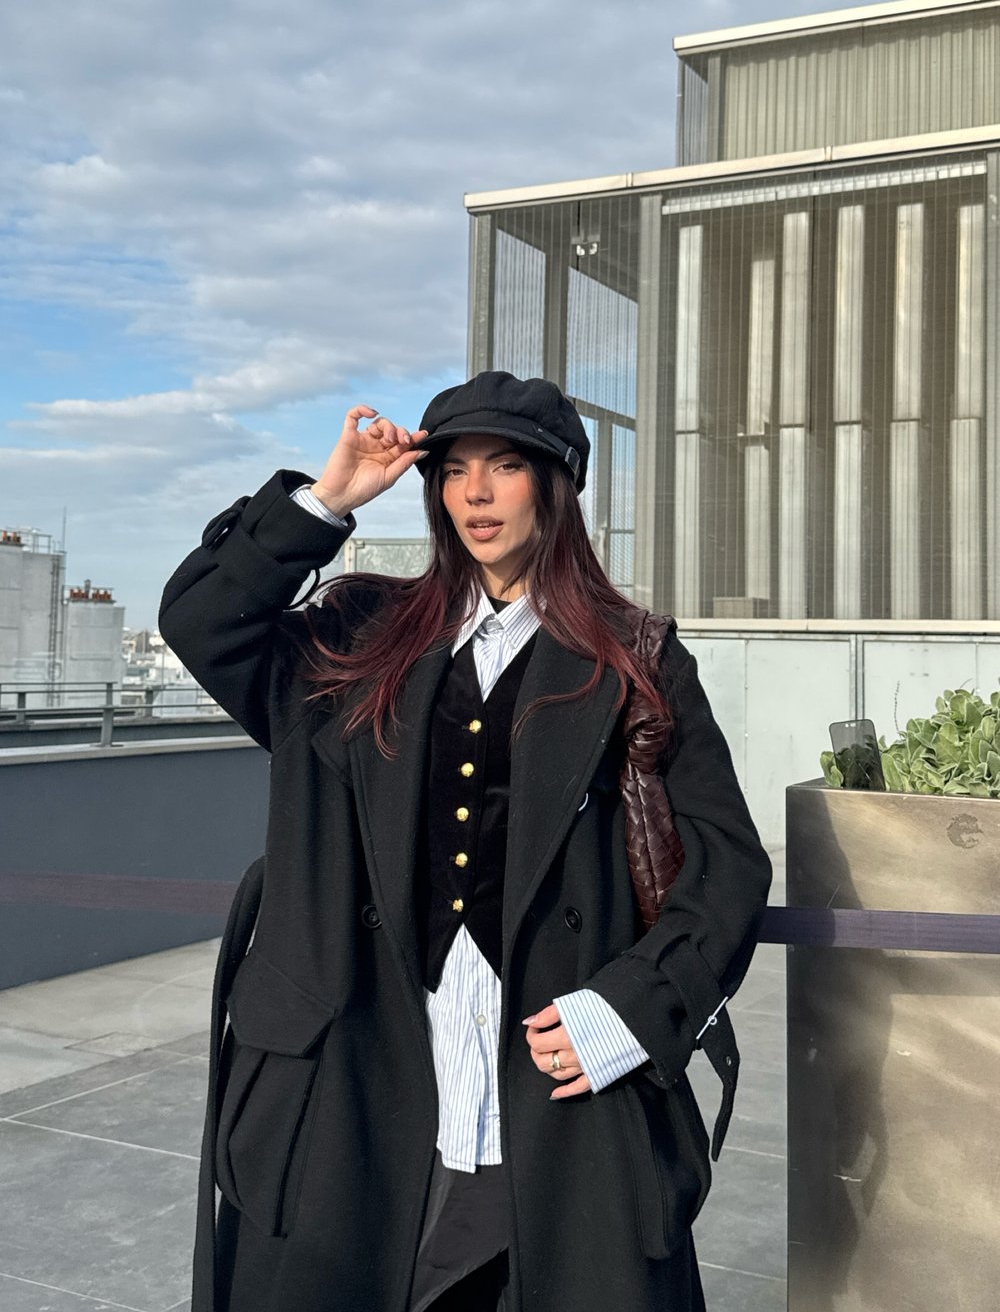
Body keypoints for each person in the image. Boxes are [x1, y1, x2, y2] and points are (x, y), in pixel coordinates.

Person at [159, 370, 772, 1312]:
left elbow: (729, 863)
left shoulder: (633, 657)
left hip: (558, 1112)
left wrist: (631, 1010)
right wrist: (326, 502)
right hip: (352, 1102)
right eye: (452, 470)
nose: (475, 493)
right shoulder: (355, 637)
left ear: (555, 485)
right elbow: (204, 622)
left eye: (506, 465)